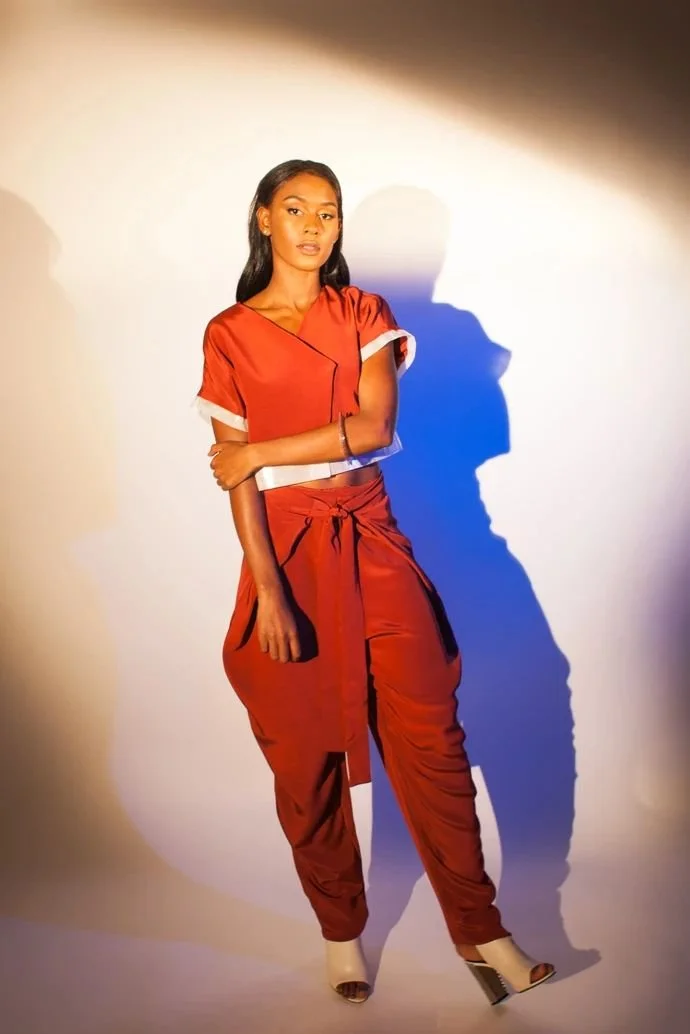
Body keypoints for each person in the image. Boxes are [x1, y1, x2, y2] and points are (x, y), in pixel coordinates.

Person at [195, 159, 555, 1006]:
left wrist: (258, 449)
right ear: (263, 220)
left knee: (432, 738)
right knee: (305, 758)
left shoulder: (365, 314)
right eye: (296, 209)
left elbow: (373, 423)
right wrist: (270, 590)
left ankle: (482, 930)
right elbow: (235, 482)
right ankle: (340, 935)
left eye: (329, 211)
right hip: (285, 555)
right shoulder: (228, 333)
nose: (315, 227)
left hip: (373, 536)